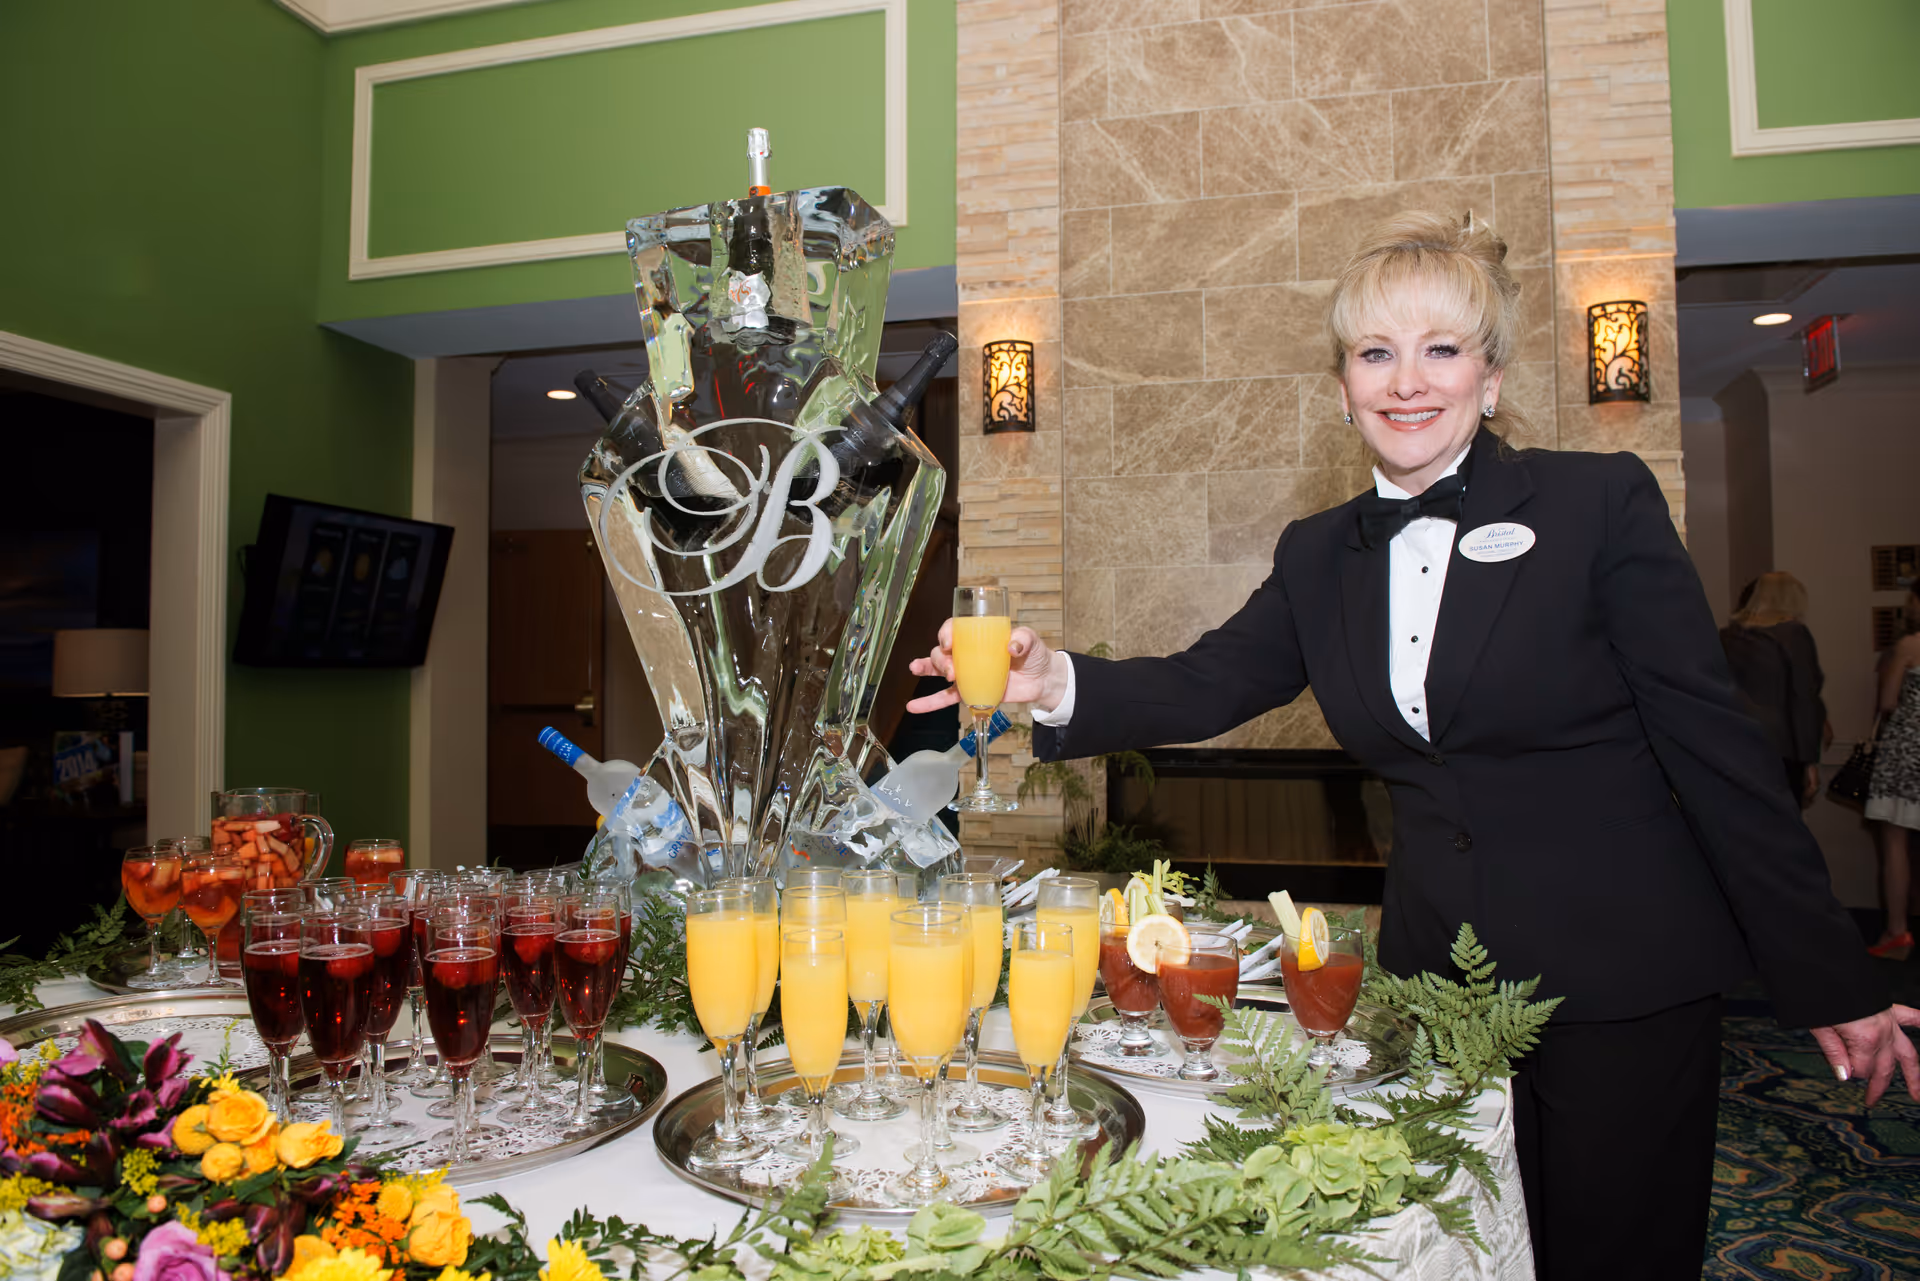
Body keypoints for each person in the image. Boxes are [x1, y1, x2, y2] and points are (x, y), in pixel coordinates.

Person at [909, 212, 1920, 1281]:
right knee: (1454, 1246)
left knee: (1611, 1254)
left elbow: (1716, 754)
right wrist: (1052, 680)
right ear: (1342, 387)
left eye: (1442, 348)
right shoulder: (1319, 552)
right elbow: (1209, 680)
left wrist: (1830, 974)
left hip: (1622, 975)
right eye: (1374, 353)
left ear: (1492, 377)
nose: (1406, 382)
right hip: (1439, 982)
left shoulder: (1597, 505)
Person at [1720, 571, 1828, 807]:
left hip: (1733, 745)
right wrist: (1810, 761)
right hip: (1781, 748)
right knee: (1783, 822)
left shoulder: (1727, 638)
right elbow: (1804, 700)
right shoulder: (1793, 634)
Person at [1866, 584, 1920, 958]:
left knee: (1896, 844)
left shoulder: (1909, 645)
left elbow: (1887, 701)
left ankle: (1897, 933)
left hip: (1907, 749)